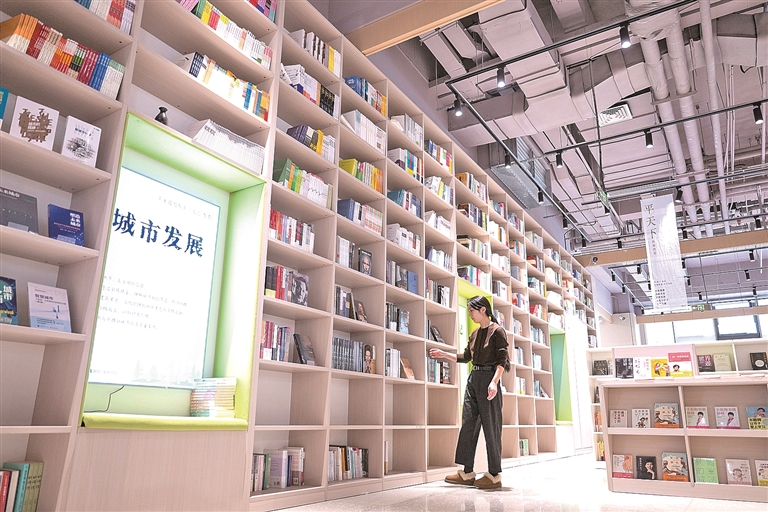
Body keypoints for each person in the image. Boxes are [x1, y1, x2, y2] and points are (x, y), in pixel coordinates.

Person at [429, 295, 509, 490]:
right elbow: (466, 357)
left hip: (489, 379)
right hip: (474, 380)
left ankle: (494, 474)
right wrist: (444, 354)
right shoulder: (474, 334)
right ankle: (467, 472)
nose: (470, 314)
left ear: (483, 310)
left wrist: (494, 382)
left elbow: (502, 361)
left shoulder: (497, 331)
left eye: (472, 310)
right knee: (468, 424)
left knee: (491, 427)